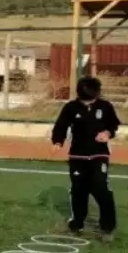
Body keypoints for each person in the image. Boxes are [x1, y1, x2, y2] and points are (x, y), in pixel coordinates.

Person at [51, 76, 118, 242]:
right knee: (78, 189)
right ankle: (77, 224)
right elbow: (61, 125)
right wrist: (58, 141)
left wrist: (107, 133)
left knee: (101, 188)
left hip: (99, 154)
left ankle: (107, 227)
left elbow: (113, 124)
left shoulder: (105, 106)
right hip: (77, 155)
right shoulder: (71, 107)